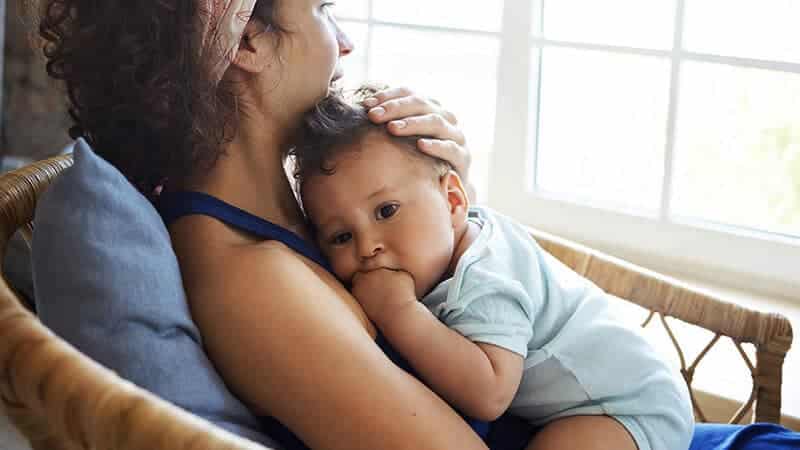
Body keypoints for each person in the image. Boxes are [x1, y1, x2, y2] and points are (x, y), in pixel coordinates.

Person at [34, 0, 530, 449]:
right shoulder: (251, 282)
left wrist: (446, 202)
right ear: (247, 39)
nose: (345, 43)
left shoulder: (299, 209)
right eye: (323, 9)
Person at [290, 87, 695, 450]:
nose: (367, 247)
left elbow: (490, 394)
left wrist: (399, 313)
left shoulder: (485, 279)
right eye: (340, 237)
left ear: (453, 201)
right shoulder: (440, 245)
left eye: (386, 210)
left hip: (628, 408)